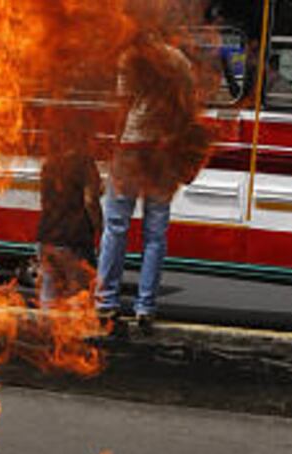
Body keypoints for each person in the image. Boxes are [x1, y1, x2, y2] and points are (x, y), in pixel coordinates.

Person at [95, 30, 198, 334]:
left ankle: (106, 301)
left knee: (116, 227)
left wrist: (114, 149)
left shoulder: (130, 57)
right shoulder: (178, 60)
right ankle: (145, 306)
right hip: (163, 152)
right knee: (155, 233)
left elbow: (124, 109)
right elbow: (188, 107)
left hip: (131, 149)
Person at [36, 115, 103, 309]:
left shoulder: (49, 164)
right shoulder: (84, 163)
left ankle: (44, 332)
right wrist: (101, 228)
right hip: (74, 239)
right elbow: (90, 200)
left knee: (48, 296)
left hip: (46, 238)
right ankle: (73, 337)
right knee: (77, 298)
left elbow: (45, 201)